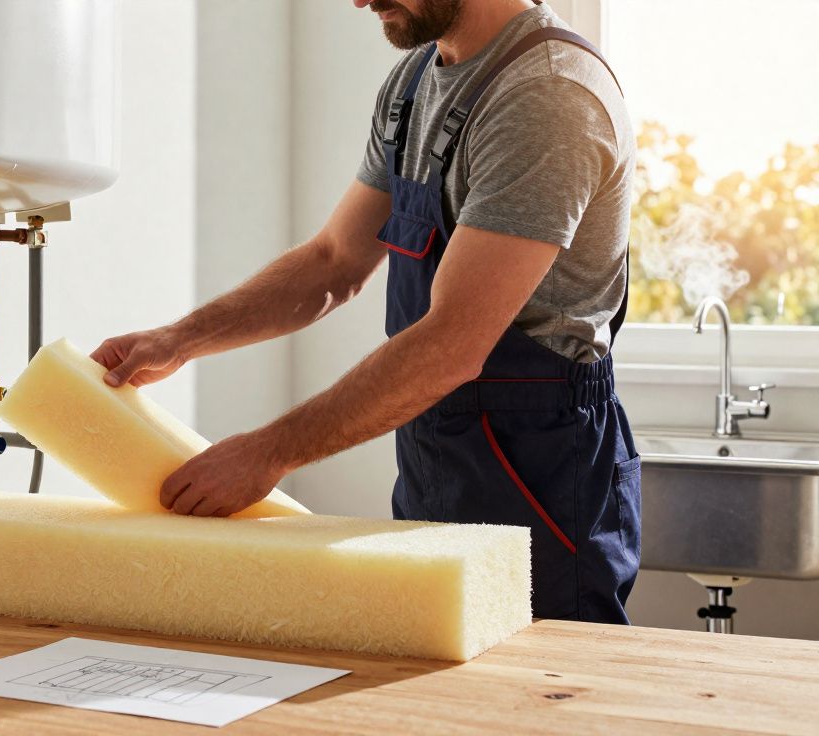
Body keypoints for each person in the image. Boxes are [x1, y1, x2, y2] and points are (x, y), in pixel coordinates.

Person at [90, 0, 640, 624]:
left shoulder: (549, 96)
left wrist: (267, 454)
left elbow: (452, 345)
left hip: (543, 471)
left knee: (541, 700)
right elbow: (333, 261)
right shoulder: (414, 81)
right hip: (435, 450)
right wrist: (179, 339)